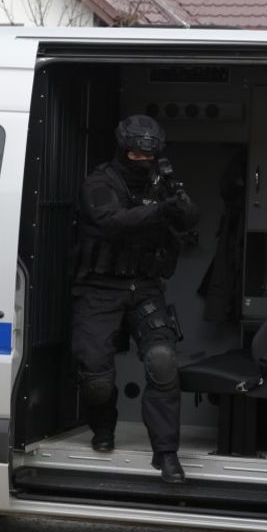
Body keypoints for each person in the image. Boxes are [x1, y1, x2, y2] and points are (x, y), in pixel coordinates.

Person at [72, 115, 200, 484]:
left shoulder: (161, 182)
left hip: (144, 286)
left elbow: (190, 220)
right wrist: (160, 210)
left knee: (162, 362)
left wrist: (179, 204)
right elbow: (112, 222)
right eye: (136, 155)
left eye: (148, 156)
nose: (142, 161)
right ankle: (103, 426)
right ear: (123, 150)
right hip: (99, 288)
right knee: (96, 379)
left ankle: (166, 453)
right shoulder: (100, 183)